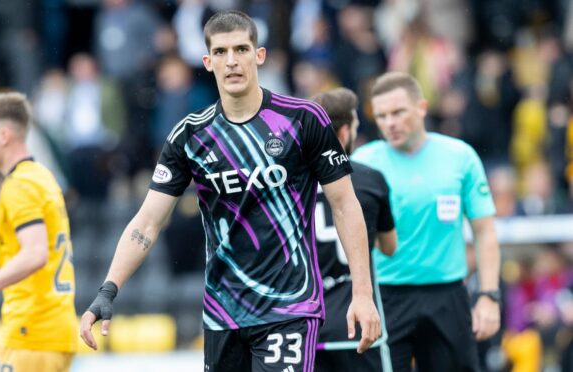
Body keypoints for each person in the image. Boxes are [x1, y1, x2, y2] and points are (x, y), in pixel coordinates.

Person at [80, 10, 380, 372]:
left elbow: (345, 205)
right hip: (223, 313)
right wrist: (107, 290)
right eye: (221, 52)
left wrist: (362, 295)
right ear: (207, 62)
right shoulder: (190, 135)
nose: (232, 61)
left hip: (290, 308)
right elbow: (147, 221)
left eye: (241, 49)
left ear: (259, 55)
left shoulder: (303, 119)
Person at [351, 71, 501, 371]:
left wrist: (488, 295)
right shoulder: (362, 164)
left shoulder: (460, 157)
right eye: (381, 115)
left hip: (447, 295)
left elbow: (484, 233)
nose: (389, 123)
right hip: (385, 298)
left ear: (421, 107)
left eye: (398, 112)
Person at [0, 93, 78, 371]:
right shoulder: (42, 177)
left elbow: (35, 254)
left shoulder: (20, 185)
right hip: (49, 330)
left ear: (4, 135)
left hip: (32, 333)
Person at [311, 88, 397, 372]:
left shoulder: (292, 183)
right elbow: (389, 246)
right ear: (345, 132)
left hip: (304, 328)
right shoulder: (370, 179)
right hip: (359, 327)